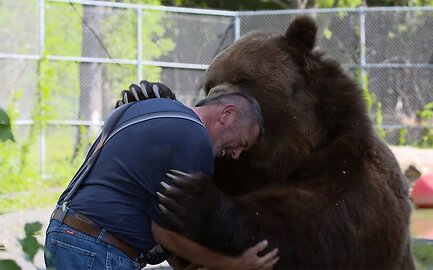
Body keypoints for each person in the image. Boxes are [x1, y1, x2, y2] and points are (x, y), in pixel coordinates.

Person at [44, 81, 278, 269]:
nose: (236, 155)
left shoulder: (144, 108)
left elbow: (147, 207)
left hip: (64, 233)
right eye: (242, 144)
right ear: (227, 114)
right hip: (95, 249)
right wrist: (235, 264)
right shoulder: (195, 139)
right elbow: (165, 233)